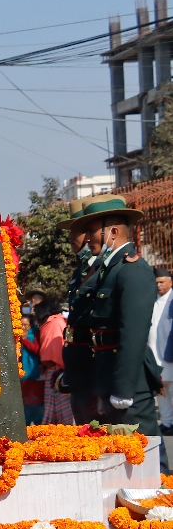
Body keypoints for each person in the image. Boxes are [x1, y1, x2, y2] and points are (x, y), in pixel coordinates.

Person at [86, 198, 168, 474]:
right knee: (123, 461)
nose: (87, 238)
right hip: (108, 372)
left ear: (112, 232)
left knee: (148, 460)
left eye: (93, 231)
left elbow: (133, 334)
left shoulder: (132, 269)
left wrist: (122, 388)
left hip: (128, 380)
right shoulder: (108, 270)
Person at [61, 196, 108, 423]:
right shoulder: (81, 269)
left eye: (78, 230)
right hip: (78, 360)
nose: (71, 237)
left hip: (93, 360)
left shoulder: (104, 269)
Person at [35, 301, 74, 425]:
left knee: (64, 407)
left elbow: (58, 348)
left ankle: (67, 432)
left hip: (59, 369)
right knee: (54, 406)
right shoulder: (51, 323)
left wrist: (60, 366)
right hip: (55, 368)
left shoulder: (55, 323)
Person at [149, 268, 173, 432]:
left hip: (169, 354)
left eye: (161, 282)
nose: (158, 285)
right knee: (162, 391)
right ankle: (166, 422)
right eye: (156, 282)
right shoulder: (151, 300)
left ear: (170, 282)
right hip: (154, 356)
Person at [20, 315, 44, 426]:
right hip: (22, 374)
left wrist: (25, 340)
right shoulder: (16, 336)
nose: (23, 328)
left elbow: (36, 349)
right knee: (25, 405)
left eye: (25, 325)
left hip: (34, 373)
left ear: (31, 325)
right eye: (21, 325)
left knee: (35, 403)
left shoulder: (35, 334)